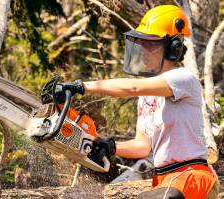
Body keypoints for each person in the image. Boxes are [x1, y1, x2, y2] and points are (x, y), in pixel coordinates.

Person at [55, 5, 219, 199]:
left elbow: (131, 88)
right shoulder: (147, 96)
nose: (143, 50)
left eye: (150, 45)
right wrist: (110, 147)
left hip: (192, 178)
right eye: (142, 44)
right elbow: (143, 146)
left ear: (172, 48)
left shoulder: (183, 78)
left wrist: (81, 86)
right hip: (166, 182)